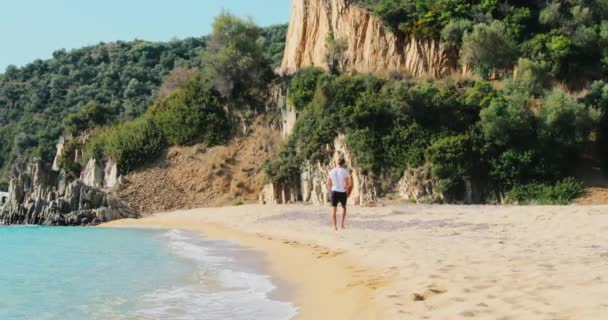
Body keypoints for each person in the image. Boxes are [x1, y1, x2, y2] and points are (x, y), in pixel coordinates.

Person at [327, 158, 352, 231]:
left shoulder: (331, 171)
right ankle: (342, 224)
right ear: (343, 163)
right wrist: (347, 191)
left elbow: (328, 183)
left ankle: (334, 226)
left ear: (336, 163)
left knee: (334, 210)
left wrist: (330, 191)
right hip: (342, 191)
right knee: (344, 208)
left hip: (334, 191)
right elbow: (347, 183)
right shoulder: (345, 171)